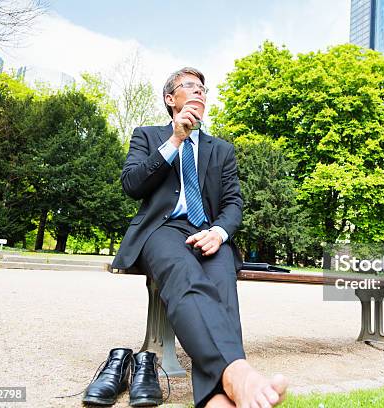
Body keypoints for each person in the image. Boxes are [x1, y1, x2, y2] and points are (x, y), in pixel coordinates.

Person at [111, 67, 288, 408]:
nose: (199, 92)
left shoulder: (221, 149)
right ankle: (238, 376)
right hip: (162, 231)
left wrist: (219, 233)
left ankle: (214, 397)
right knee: (185, 274)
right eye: (189, 86)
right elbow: (131, 185)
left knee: (222, 285)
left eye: (203, 89)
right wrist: (175, 139)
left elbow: (234, 202)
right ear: (170, 99)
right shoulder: (148, 135)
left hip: (209, 232)